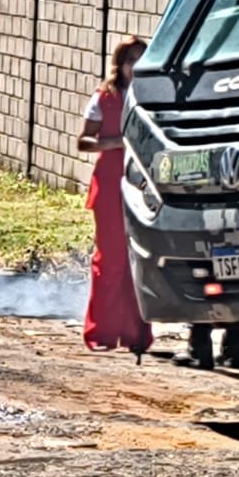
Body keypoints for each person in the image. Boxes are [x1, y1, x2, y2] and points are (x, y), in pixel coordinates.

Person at [76, 35, 153, 358]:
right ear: (119, 64)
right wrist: (118, 143)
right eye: (129, 60)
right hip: (109, 185)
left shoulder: (151, 96)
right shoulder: (104, 98)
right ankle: (102, 331)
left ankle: (136, 332)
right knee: (110, 260)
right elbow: (84, 141)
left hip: (144, 186)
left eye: (140, 60)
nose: (134, 67)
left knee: (138, 261)